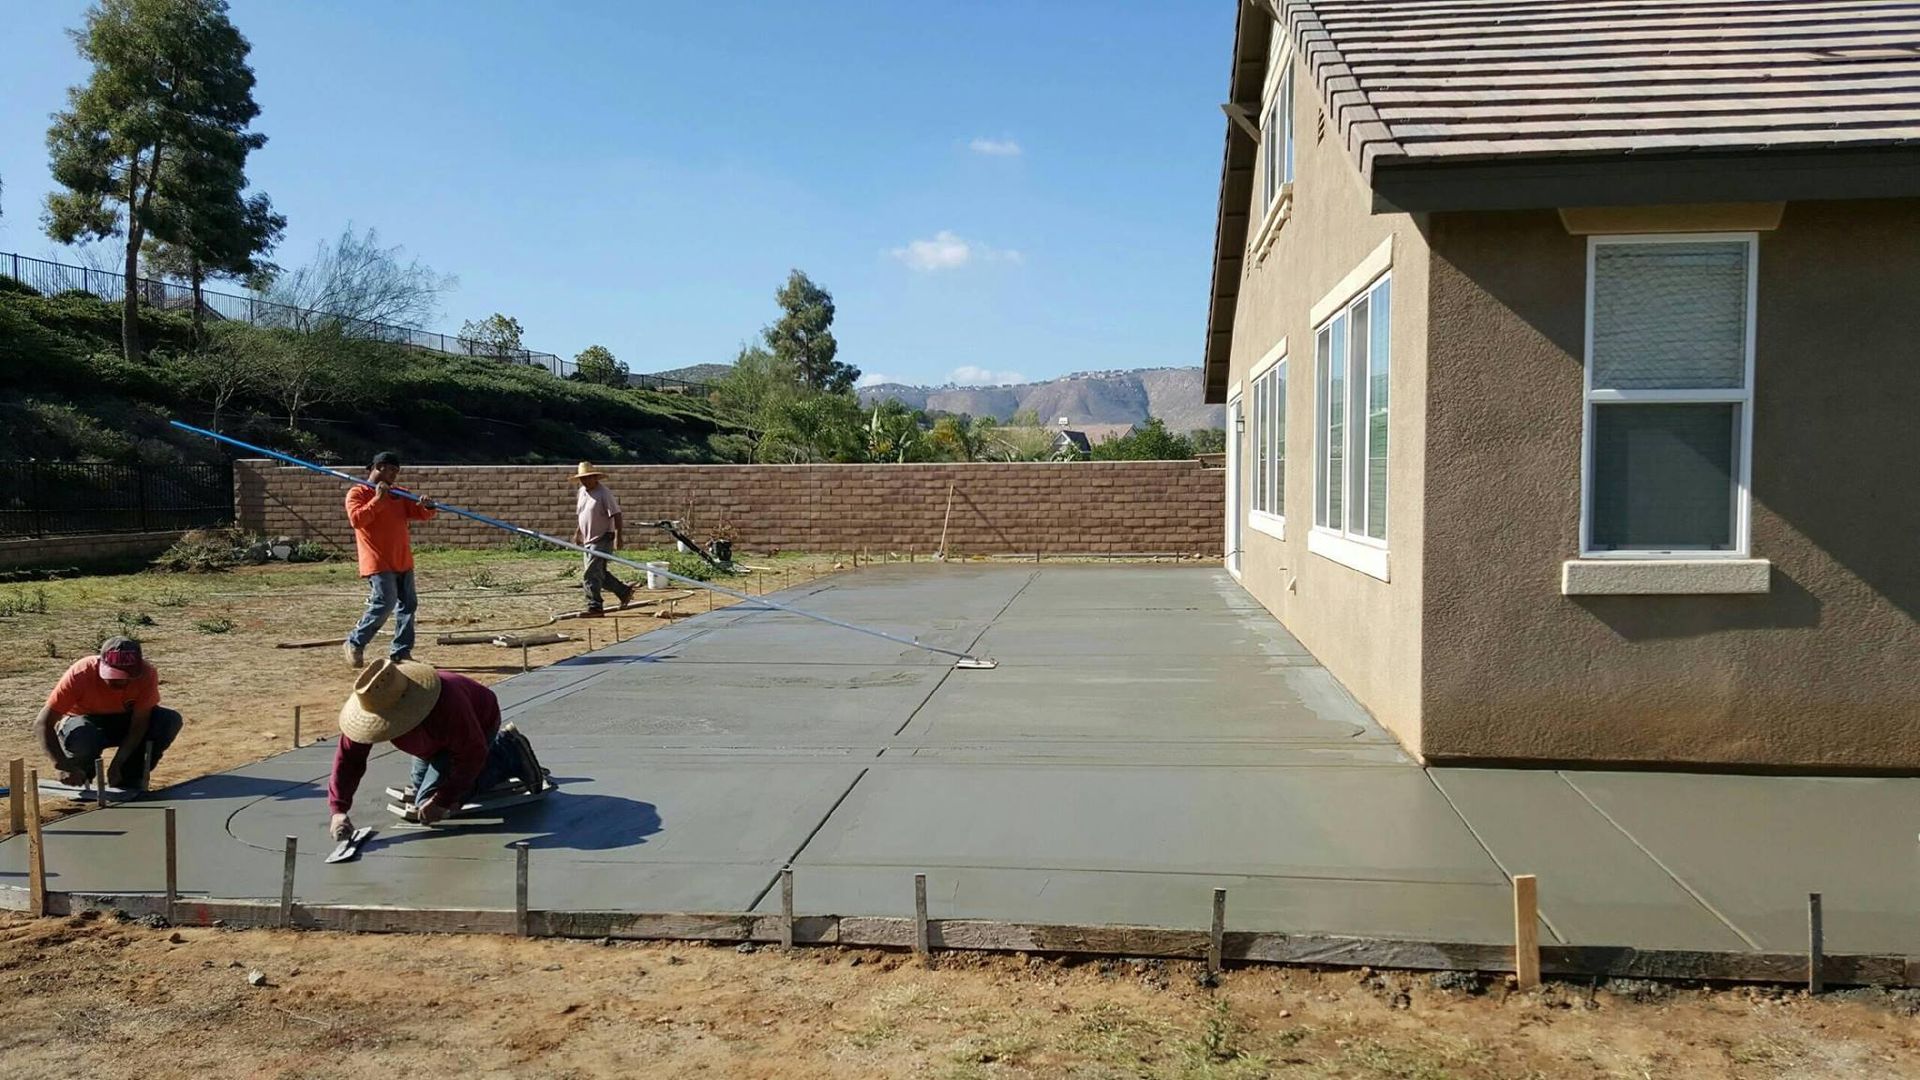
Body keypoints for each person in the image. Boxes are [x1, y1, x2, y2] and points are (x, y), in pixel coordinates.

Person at [326, 658, 545, 838]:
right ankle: (473, 764)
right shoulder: (374, 701)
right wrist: (339, 810)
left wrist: (443, 800)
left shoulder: (445, 705)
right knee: (422, 788)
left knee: (430, 804)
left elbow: (471, 753)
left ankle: (506, 752)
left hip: (480, 723)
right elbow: (350, 759)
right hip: (433, 743)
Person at [36, 637, 182, 791]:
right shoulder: (81, 673)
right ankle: (80, 776)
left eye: (127, 677)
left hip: (125, 720)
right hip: (84, 721)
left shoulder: (147, 674)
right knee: (84, 736)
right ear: (102, 664)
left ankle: (127, 777)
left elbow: (139, 725)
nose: (120, 682)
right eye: (114, 676)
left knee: (168, 721)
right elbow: (43, 723)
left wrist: (118, 763)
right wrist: (62, 765)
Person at [343, 451, 438, 668]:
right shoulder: (357, 492)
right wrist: (378, 499)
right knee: (385, 602)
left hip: (402, 559)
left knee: (408, 605)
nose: (395, 475)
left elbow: (420, 514)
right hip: (377, 560)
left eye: (397, 471)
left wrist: (428, 506)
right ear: (379, 467)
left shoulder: (399, 494)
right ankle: (355, 642)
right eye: (392, 470)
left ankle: (401, 651)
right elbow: (358, 520)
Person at [571, 461, 634, 615]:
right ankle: (624, 591)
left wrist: (619, 537)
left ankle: (595, 605)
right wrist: (578, 532)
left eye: (588, 478)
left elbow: (616, 514)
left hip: (603, 538)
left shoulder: (603, 493)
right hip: (588, 538)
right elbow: (582, 514)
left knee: (590, 573)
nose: (585, 481)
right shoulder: (582, 492)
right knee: (599, 573)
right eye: (582, 479)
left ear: (595, 478)